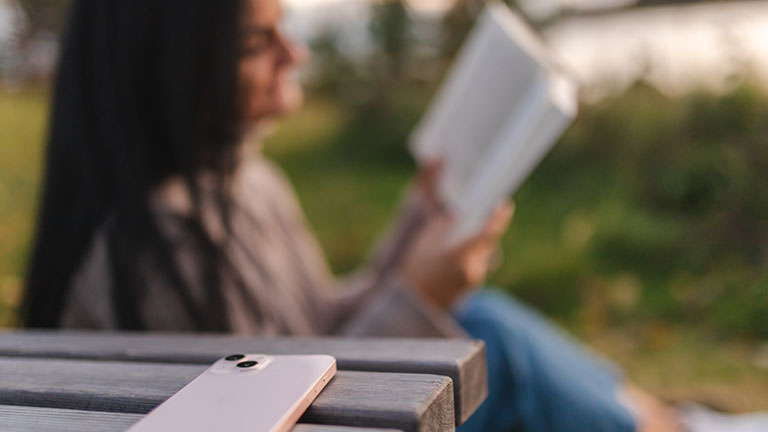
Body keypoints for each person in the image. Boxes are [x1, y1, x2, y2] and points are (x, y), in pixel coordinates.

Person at [20, 1, 767, 431]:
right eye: (261, 40)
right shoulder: (167, 244)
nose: (296, 53)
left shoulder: (241, 183)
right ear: (172, 68)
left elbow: (311, 323)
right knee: (493, 341)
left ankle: (678, 421)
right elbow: (285, 405)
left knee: (486, 317)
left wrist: (415, 224)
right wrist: (419, 299)